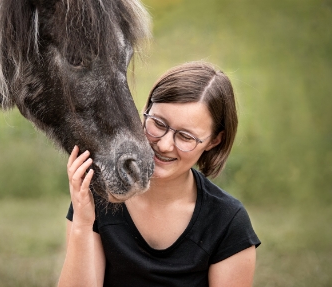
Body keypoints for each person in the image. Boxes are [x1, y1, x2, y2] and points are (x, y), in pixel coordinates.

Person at [58, 61, 261, 287]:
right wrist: (82, 224)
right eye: (158, 123)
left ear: (214, 140)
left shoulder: (227, 221)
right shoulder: (98, 197)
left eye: (185, 137)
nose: (164, 145)